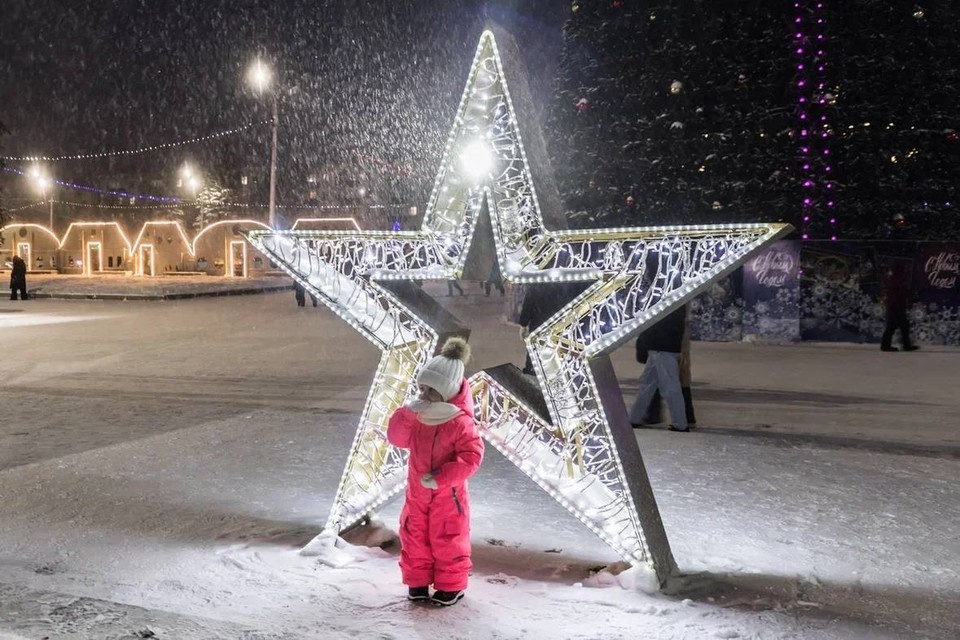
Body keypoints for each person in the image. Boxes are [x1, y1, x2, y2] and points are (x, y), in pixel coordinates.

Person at [386, 337, 484, 606]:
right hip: (417, 495)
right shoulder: (419, 416)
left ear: (447, 391)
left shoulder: (460, 422)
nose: (423, 395)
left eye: (431, 390)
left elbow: (471, 456)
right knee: (414, 536)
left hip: (447, 498)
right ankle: (417, 580)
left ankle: (451, 585)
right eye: (422, 388)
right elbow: (397, 438)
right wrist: (406, 414)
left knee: (448, 539)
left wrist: (442, 477)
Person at [629, 306, 690, 432]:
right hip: (663, 346)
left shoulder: (665, 304)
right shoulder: (675, 305)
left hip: (661, 346)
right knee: (648, 384)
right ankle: (635, 418)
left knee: (668, 386)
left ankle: (680, 423)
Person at [880, 261, 917, 352]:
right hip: (896, 306)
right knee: (896, 326)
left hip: (894, 305)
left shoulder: (893, 278)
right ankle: (901, 345)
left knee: (898, 326)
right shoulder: (897, 279)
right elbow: (901, 292)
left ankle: (903, 345)